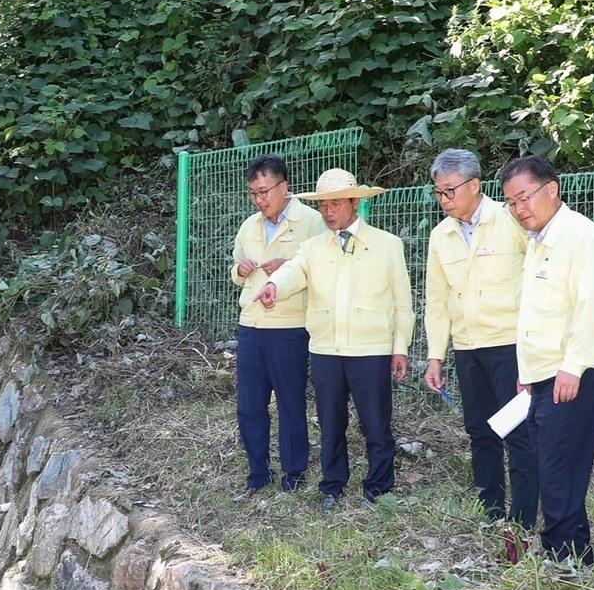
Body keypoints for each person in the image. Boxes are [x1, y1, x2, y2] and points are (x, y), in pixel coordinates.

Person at [257, 168, 412, 512]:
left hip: (370, 349)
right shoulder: (312, 247)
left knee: (376, 424)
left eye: (336, 204)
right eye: (324, 205)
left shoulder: (387, 245)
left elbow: (403, 303)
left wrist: (399, 347)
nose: (329, 212)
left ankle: (379, 486)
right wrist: (273, 287)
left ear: (355, 202)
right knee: (331, 423)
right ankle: (332, 486)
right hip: (326, 348)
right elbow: (292, 272)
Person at [500, 155, 594, 565]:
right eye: (511, 203)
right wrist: (527, 374)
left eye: (524, 198)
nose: (519, 209)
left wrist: (573, 366)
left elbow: (591, 304)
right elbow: (536, 313)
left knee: (559, 470)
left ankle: (560, 556)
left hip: (573, 375)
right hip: (543, 374)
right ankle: (576, 555)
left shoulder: (581, 236)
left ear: (552, 189)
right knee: (557, 469)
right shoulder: (537, 240)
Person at [423, 148, 538, 528]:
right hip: (467, 348)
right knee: (481, 430)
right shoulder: (441, 236)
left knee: (518, 431)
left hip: (510, 346)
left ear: (475, 185)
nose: (444, 199)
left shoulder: (511, 221)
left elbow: (538, 277)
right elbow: (436, 300)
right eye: (439, 192)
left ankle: (523, 515)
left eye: (450, 190)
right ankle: (491, 508)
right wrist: (436, 356)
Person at [231, 155, 328, 494]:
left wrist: (287, 265)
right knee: (249, 405)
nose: (260, 200)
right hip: (251, 324)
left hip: (289, 326)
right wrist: (240, 271)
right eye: (254, 194)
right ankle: (258, 472)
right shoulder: (249, 226)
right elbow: (235, 273)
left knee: (290, 402)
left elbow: (323, 269)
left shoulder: (312, 222)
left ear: (284, 186)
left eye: (264, 192)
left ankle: (294, 472)